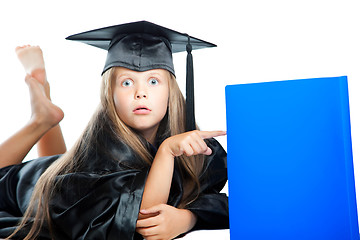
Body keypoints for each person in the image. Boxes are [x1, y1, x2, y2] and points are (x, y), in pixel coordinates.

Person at [0, 21, 228, 240]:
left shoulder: (195, 152)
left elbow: (232, 203)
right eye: (127, 83)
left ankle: (46, 113)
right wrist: (167, 151)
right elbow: (139, 218)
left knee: (57, 162)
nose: (141, 93)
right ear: (110, 96)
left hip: (60, 172)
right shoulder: (97, 159)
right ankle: (40, 120)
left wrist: (188, 218)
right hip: (36, 187)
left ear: (172, 93)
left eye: (153, 81)